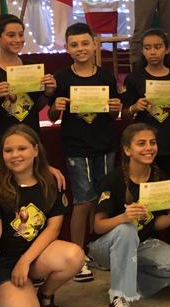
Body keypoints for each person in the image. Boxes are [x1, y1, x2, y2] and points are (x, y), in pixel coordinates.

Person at [0, 125, 84, 307]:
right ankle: (3, 293)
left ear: (36, 150)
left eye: (22, 148)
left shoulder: (50, 182)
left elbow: (53, 229)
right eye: (8, 150)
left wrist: (25, 261)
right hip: (5, 262)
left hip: (36, 256)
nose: (15, 155)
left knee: (74, 256)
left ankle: (45, 294)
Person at [89, 124, 170, 307]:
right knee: (126, 230)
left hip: (141, 243)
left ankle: (129, 285)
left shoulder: (160, 178)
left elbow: (155, 224)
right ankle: (118, 297)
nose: (149, 148)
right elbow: (98, 226)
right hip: (105, 247)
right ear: (127, 150)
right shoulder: (112, 179)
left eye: (152, 142)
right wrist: (123, 218)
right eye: (141, 143)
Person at [48, 22, 123, 281]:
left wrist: (115, 108)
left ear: (95, 45)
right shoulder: (61, 77)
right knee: (83, 201)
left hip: (105, 145)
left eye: (85, 43)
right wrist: (56, 107)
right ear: (67, 48)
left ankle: (97, 249)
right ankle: (77, 255)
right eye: (74, 45)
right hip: (77, 147)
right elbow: (52, 116)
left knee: (102, 199)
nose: (80, 48)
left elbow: (114, 114)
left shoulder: (106, 76)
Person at [0, 14, 56, 157]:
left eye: (21, 35)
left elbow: (35, 108)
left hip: (30, 140)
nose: (18, 40)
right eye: (11, 35)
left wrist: (47, 93)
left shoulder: (32, 68)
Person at [121, 28, 170, 173]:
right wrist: (134, 107)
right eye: (147, 48)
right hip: (144, 146)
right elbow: (124, 115)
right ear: (142, 51)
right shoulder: (134, 78)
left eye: (157, 47)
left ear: (167, 49)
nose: (152, 52)